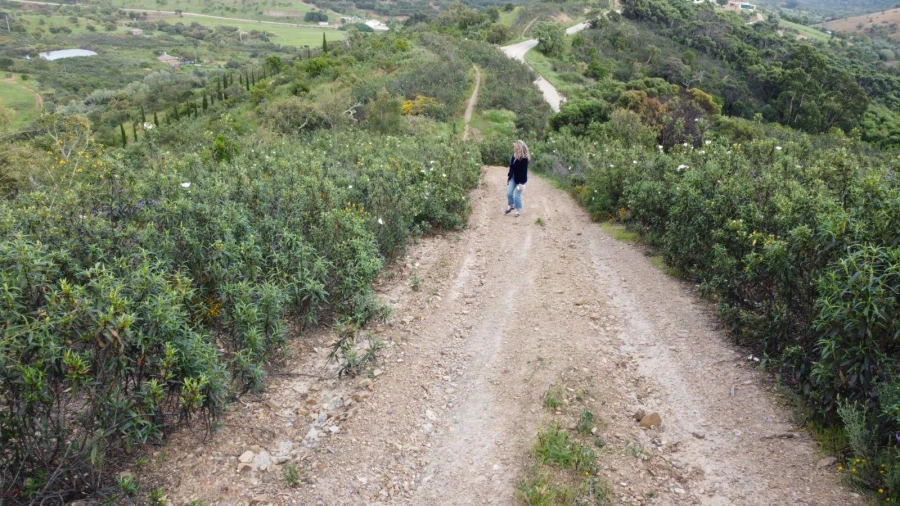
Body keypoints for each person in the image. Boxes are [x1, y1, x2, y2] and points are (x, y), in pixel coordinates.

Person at [505, 140, 529, 217]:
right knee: (509, 193)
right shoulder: (514, 155)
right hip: (513, 177)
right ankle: (511, 205)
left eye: (516, 146)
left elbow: (524, 172)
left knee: (517, 195)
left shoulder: (524, 158)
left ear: (520, 147)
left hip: (520, 180)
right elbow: (511, 167)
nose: (515, 147)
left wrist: (522, 183)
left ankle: (518, 211)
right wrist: (509, 177)